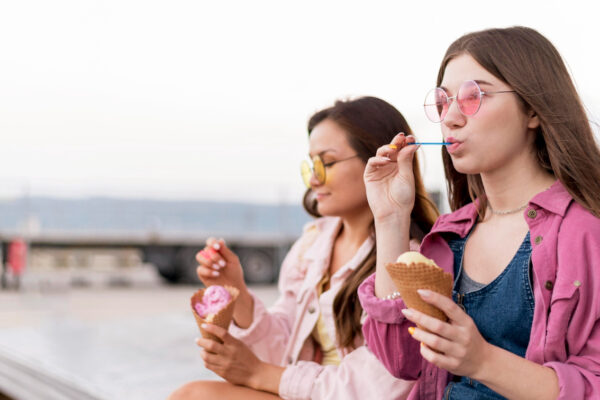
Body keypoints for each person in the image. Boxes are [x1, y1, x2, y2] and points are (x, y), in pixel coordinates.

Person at [358, 26, 600, 400]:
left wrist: (482, 361)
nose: (450, 117)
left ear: (532, 109)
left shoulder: (584, 231)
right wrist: (391, 219)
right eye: (443, 101)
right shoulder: (450, 234)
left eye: (474, 96)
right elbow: (402, 360)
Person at [169, 97, 439, 400]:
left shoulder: (412, 258)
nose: (313, 178)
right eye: (312, 164)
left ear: (381, 158)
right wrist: (237, 291)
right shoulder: (313, 242)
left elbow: (378, 386)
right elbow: (284, 350)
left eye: (327, 162)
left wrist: (258, 373)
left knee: (193, 395)